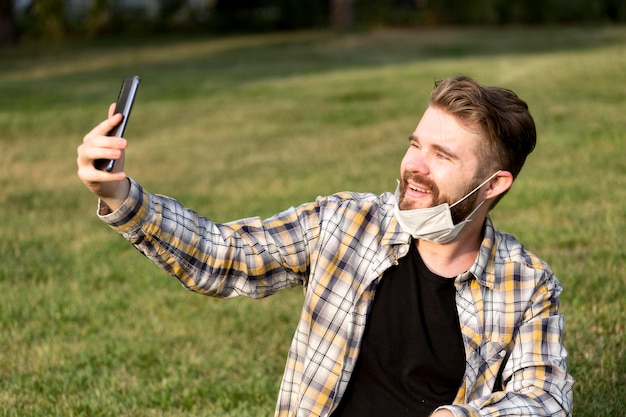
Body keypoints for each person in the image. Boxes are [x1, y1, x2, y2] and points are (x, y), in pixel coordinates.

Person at [77, 75, 574, 416]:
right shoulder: (346, 222)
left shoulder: (526, 282)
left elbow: (546, 398)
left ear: (493, 185)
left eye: (442, 155)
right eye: (415, 144)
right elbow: (227, 256)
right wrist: (121, 196)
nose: (414, 166)